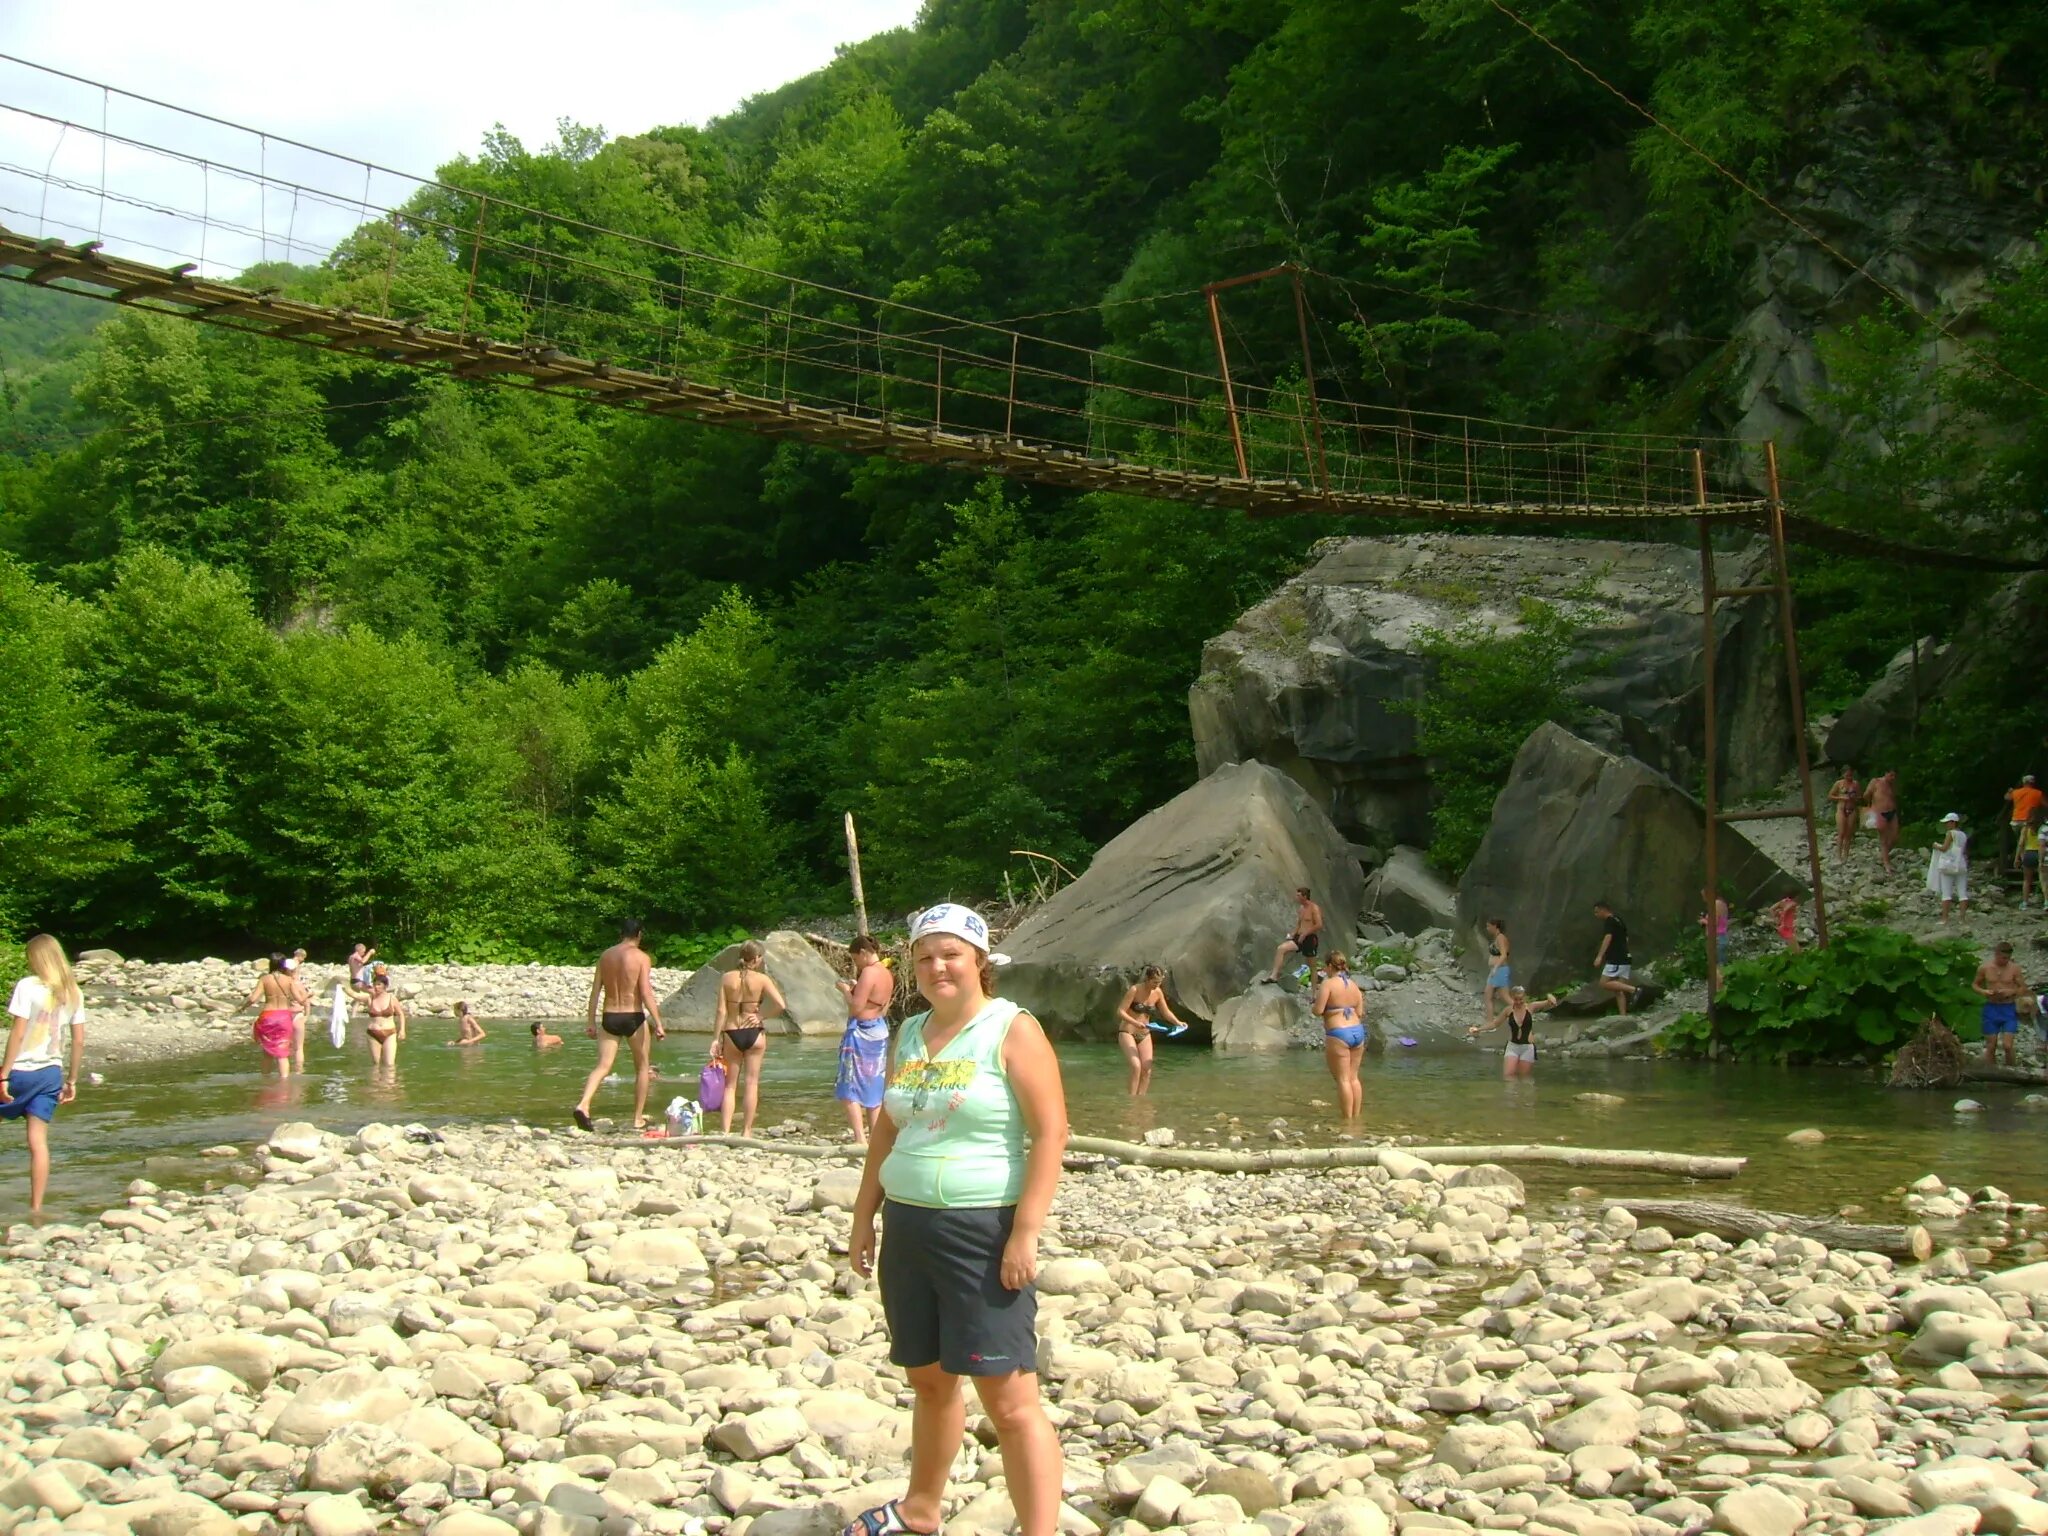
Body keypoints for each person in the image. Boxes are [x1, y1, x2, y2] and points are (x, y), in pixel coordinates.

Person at [845, 903, 1067, 1536]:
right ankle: (921, 1511)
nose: (938, 966)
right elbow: (887, 1128)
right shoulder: (909, 1033)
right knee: (930, 1379)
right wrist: (865, 1216)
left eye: (951, 954)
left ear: (978, 960)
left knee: (1009, 1398)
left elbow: (1051, 1133)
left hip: (982, 1229)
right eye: (925, 956)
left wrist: (1025, 1232)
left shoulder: (1012, 1028)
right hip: (909, 1228)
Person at [2, 935, 87, 1214]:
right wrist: (72, 1079)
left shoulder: (27, 986)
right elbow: (79, 1041)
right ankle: (36, 1208)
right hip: (50, 1073)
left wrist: (3, 1075)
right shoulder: (73, 992)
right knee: (38, 1144)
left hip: (21, 1071)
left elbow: (17, 1032)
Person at [573, 919, 667, 1132]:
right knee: (642, 1067)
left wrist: (590, 1022)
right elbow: (645, 992)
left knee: (603, 1066)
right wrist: (658, 1022)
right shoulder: (642, 958)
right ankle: (637, 1119)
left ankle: (584, 1104)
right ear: (639, 934)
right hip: (633, 1016)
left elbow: (595, 991)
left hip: (610, 1016)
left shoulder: (606, 956)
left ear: (621, 933)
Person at [715, 941, 786, 1137]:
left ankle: (725, 1131)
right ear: (756, 959)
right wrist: (762, 1016)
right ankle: (746, 1131)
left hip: (732, 1032)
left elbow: (721, 1011)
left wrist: (715, 1039)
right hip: (754, 1032)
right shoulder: (762, 979)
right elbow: (780, 1004)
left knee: (730, 1085)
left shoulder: (726, 978)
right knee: (752, 1083)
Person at [836, 935, 897, 1145]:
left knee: (849, 1086)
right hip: (879, 1030)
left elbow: (856, 1007)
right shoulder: (887, 973)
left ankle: (860, 1138)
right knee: (874, 1086)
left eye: (855, 959)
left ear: (863, 952)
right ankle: (876, 1137)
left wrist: (845, 991)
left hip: (862, 1032)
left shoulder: (869, 972)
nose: (856, 964)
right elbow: (884, 1006)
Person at [1114, 966, 1188, 1099]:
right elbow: (1120, 1011)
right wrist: (1135, 1023)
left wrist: (1178, 1022)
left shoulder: (1157, 992)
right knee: (1136, 1066)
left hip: (1145, 1034)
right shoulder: (1135, 990)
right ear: (1147, 979)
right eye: (1154, 982)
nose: (1157, 985)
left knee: (1146, 1068)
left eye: (1159, 982)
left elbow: (1166, 1012)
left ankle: (1141, 1100)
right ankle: (1131, 1100)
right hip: (1127, 1032)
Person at [1312, 953, 1366, 1119]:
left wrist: (1314, 1005)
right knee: (1353, 1078)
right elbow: (1360, 1012)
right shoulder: (1353, 984)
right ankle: (1356, 1118)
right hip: (1358, 1031)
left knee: (1343, 1079)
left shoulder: (1327, 984)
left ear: (1329, 966)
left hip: (1338, 1033)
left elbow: (1318, 1010)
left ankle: (1347, 1121)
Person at [1470, 985, 1559, 1077]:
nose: (1518, 1002)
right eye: (1516, 999)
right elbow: (1495, 1024)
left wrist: (1549, 996)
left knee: (1524, 1078)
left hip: (1527, 1047)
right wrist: (1479, 1029)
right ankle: (1511, 1092)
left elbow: (1549, 1002)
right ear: (1512, 998)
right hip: (1513, 1047)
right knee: (1508, 1076)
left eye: (1521, 999)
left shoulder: (1531, 1007)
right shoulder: (1508, 1010)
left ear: (1525, 998)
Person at [247, 952, 310, 1079]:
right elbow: (300, 999)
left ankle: (265, 1080)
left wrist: (242, 1007)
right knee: (283, 1053)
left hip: (268, 1015)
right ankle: (284, 1083)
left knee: (267, 1052)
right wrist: (309, 994)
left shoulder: (264, 979)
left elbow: (253, 999)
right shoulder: (289, 980)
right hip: (283, 1017)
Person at [1974, 940, 2025, 1068]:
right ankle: (1992, 1077)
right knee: (1991, 1046)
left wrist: (2011, 991)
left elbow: (2023, 988)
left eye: (2008, 958)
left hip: (2008, 1008)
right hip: (1991, 1008)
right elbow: (1975, 985)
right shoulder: (1984, 968)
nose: (2005, 960)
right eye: (2003, 957)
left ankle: (2012, 1072)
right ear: (1996, 954)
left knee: (2007, 1046)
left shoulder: (2014, 968)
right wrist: (1984, 991)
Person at [351, 963, 407, 1069]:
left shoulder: (392, 998)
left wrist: (402, 1030)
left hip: (390, 1032)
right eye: (375, 984)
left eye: (379, 985)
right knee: (376, 1065)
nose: (376, 987)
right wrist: (342, 987)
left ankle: (388, 1085)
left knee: (389, 1065)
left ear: (385, 986)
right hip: (372, 1033)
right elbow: (355, 995)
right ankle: (376, 1085)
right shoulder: (370, 998)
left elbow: (400, 1014)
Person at [1264, 888, 1323, 984]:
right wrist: (1293, 934)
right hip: (1298, 937)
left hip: (1309, 938)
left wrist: (1305, 934)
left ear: (1305, 896)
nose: (1297, 898)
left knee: (1312, 966)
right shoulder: (1301, 908)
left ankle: (1314, 994)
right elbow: (1299, 924)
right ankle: (1274, 976)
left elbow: (1319, 924)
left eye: (1299, 896)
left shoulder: (1314, 908)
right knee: (1281, 949)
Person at [1592, 901, 1637, 1016]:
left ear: (1603, 910)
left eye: (1597, 912)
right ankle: (1623, 1015)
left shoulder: (1610, 921)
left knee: (1603, 983)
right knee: (1618, 989)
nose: (1596, 915)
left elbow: (1608, 938)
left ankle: (1634, 990)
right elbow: (1626, 938)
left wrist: (1599, 956)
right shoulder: (1619, 920)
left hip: (1616, 959)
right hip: (1625, 957)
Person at [1927, 811, 1970, 922]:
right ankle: (1962, 918)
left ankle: (1945, 918)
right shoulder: (1963, 835)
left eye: (1947, 822)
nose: (1946, 825)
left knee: (1946, 893)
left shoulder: (1951, 833)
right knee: (1962, 893)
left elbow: (1945, 848)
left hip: (1948, 865)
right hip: (1961, 864)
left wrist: (1936, 845)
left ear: (1953, 822)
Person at [1866, 770, 1901, 876]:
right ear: (1885, 773)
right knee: (1884, 839)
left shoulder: (1892, 785)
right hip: (1880, 812)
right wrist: (1871, 807)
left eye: (1894, 776)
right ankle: (1886, 863)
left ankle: (1883, 855)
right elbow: (1866, 794)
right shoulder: (1875, 782)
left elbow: (1893, 797)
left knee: (1895, 837)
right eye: (1891, 775)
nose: (1893, 777)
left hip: (1892, 812)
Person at [2006, 776, 2045, 868]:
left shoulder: (2016, 792)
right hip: (2028, 820)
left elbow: (2007, 797)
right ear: (2033, 783)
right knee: (2023, 842)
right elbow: (2045, 804)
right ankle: (2022, 862)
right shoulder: (2038, 793)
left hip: (2015, 820)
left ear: (2024, 782)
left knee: (2020, 841)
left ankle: (2023, 862)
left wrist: (2010, 791)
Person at [1828, 766, 1861, 862]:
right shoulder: (1839, 783)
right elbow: (1830, 796)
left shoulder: (1856, 784)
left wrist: (1855, 797)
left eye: (1850, 774)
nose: (1849, 776)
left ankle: (1846, 855)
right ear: (1843, 774)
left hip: (1852, 809)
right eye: (1847, 775)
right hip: (1841, 809)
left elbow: (1860, 796)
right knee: (1841, 832)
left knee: (1849, 834)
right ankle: (1838, 855)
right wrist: (1842, 798)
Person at [1481, 918, 1511, 1026]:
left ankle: (1524, 1012)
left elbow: (1503, 955)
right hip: (1497, 971)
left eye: (1489, 926)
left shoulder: (1501, 938)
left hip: (1499, 970)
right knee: (1495, 996)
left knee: (1501, 997)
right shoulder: (1497, 938)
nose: (1487, 928)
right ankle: (1490, 1021)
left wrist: (1496, 967)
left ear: (1495, 926)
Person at [1698, 889, 1730, 970]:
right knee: (1721, 964)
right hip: (1720, 937)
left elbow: (1714, 922)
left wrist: (1703, 921)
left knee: (1718, 966)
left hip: (1717, 938)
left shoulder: (1716, 904)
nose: (1703, 899)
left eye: (1704, 896)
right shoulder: (1721, 903)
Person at [2022, 808, 2047, 910]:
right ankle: (2046, 901)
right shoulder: (2043, 828)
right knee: (2044, 880)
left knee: (2027, 880)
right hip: (2040, 853)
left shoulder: (2026, 828)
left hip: (2028, 853)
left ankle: (2024, 903)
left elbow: (2020, 843)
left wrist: (2018, 857)